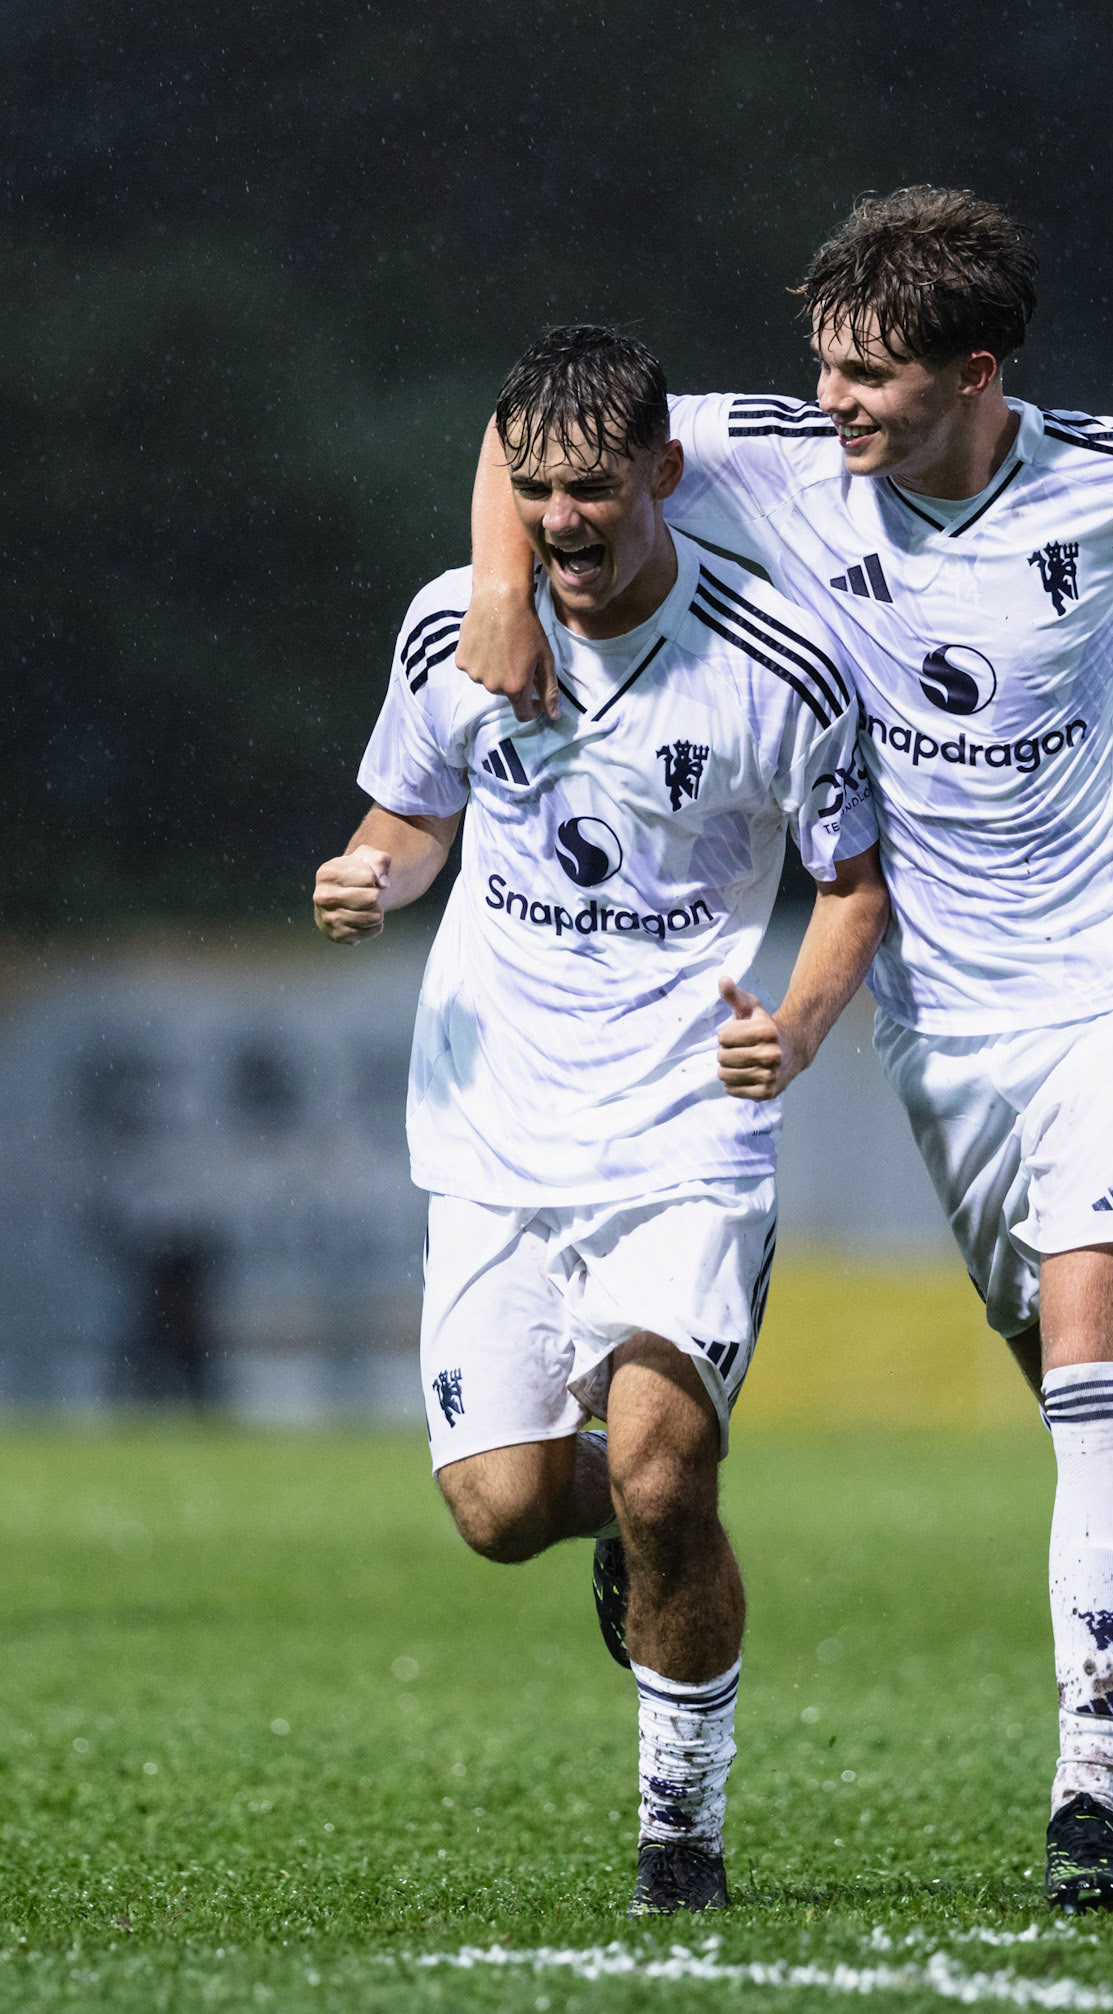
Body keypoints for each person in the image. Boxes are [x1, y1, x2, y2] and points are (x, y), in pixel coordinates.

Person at [458, 192, 1113, 1911]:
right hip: (937, 1011)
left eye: (866, 375)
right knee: (1068, 1376)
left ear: (973, 371)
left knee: (1094, 1364)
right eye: (820, 367)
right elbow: (541, 430)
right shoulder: (770, 453)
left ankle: (1084, 1803)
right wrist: (506, 591)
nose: (832, 403)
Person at [312, 325, 887, 1918]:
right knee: (502, 1509)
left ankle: (679, 1843)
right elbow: (412, 813)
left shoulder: (777, 665)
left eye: (592, 490)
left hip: (682, 1131)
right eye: (535, 489)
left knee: (659, 1479)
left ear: (664, 477)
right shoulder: (453, 627)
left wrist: (798, 1026)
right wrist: (374, 875)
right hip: (493, 1123)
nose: (561, 521)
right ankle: (635, 1522)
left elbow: (853, 887)